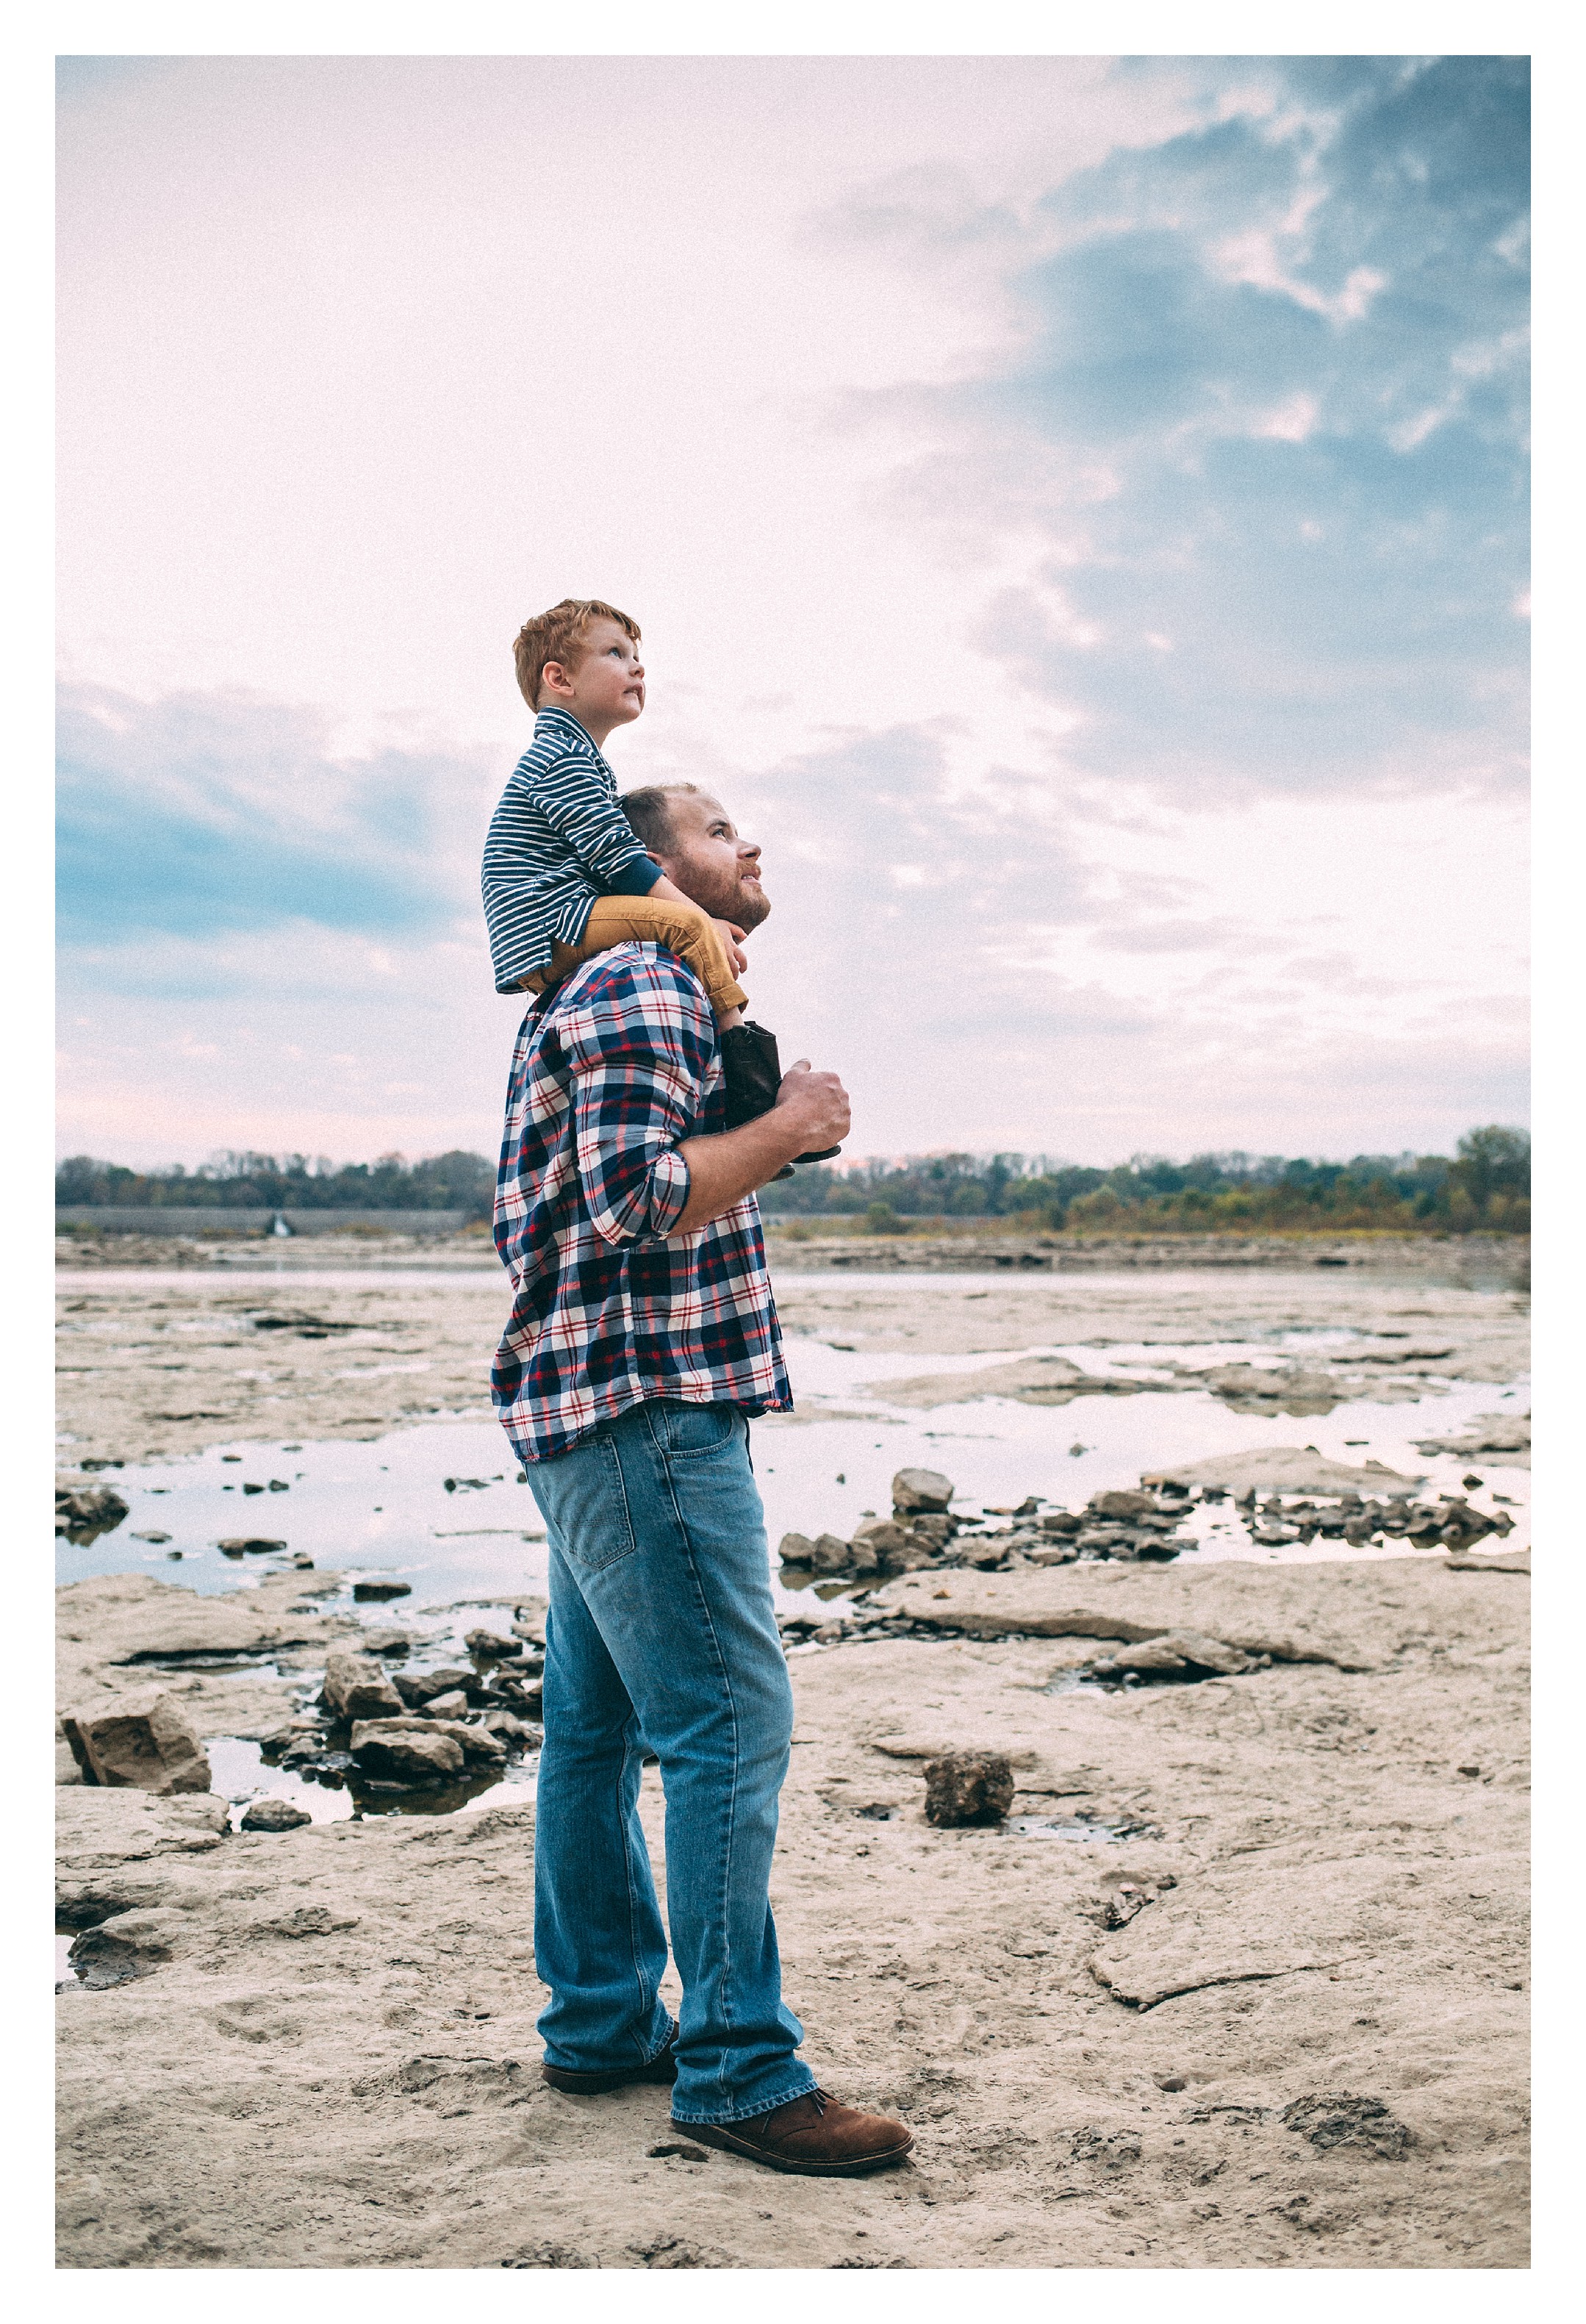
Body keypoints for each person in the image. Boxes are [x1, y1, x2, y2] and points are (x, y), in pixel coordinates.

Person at [490, 781, 914, 2176]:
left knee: (599, 1731)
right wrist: (787, 1125)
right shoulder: (634, 983)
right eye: (720, 827)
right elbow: (635, 1202)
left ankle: (606, 2022)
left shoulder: (659, 991)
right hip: (644, 1406)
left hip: (602, 1407)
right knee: (727, 1723)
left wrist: (768, 1093)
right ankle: (738, 2068)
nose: (752, 843)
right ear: (648, 864)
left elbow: (669, 1174)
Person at [481, 597, 836, 1163]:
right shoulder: (560, 756)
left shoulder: (579, 758)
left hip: (555, 921)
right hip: (553, 920)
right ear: (560, 677)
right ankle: (750, 1088)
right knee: (687, 930)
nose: (637, 667)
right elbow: (618, 858)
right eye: (616, 654)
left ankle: (724, 1111)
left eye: (637, 655)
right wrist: (697, 921)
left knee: (687, 929)